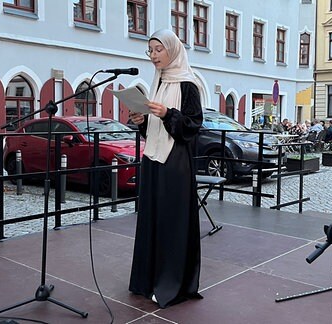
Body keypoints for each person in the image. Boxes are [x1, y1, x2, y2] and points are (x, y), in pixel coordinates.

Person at [128, 29, 204, 309]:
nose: (153, 55)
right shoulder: (157, 82)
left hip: (175, 163)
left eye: (158, 49)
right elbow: (153, 130)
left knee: (172, 222)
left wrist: (167, 113)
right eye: (150, 50)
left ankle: (172, 284)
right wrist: (141, 120)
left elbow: (194, 126)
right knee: (152, 218)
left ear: (173, 50)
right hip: (153, 159)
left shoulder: (188, 84)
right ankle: (148, 280)